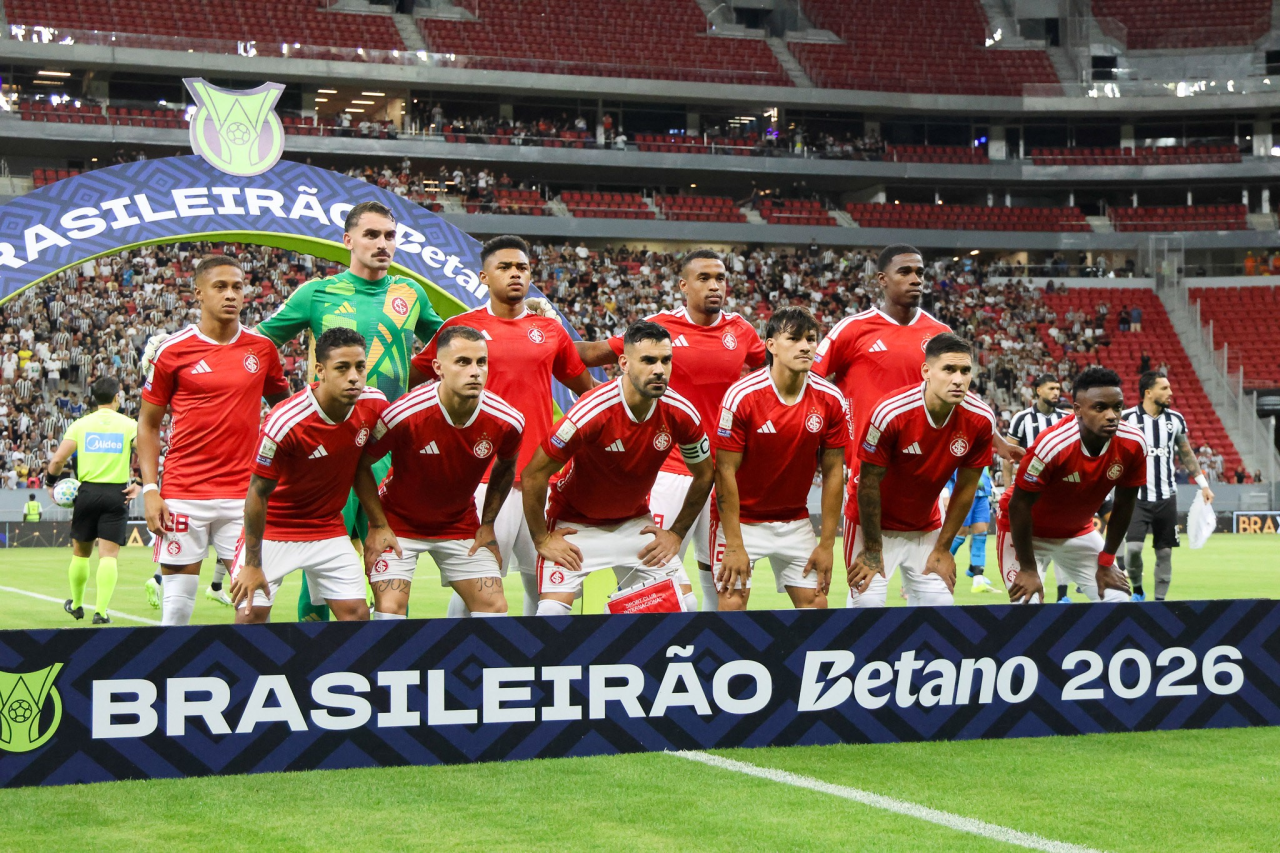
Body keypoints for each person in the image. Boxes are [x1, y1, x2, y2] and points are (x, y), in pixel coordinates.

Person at [255, 201, 443, 621]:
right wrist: (282, 401)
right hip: (330, 447)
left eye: (389, 236)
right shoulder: (317, 293)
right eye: (372, 235)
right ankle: (316, 661)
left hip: (390, 447)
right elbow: (258, 344)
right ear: (348, 241)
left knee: (391, 558)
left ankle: (384, 661)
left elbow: (457, 342)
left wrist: (524, 316)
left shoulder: (410, 294)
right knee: (320, 564)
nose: (382, 244)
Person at [817, 244, 1018, 607]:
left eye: (921, 273)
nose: (916, 280)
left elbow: (958, 392)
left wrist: (997, 437)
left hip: (925, 472)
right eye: (905, 272)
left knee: (935, 603)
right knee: (866, 602)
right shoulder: (853, 329)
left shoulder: (938, 333)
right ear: (882, 280)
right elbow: (813, 383)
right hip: (869, 469)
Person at [409, 235, 594, 618]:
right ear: (483, 276)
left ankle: (533, 667)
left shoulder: (551, 330)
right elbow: (414, 378)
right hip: (480, 481)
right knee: (476, 589)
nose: (515, 274)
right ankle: (457, 668)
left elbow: (587, 392)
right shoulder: (460, 329)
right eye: (505, 267)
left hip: (543, 478)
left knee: (547, 585)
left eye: (522, 268)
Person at [576, 250, 765, 612]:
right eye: (704, 278)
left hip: (724, 473)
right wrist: (544, 338)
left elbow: (771, 376)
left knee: (730, 590)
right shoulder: (660, 329)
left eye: (720, 278)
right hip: (670, 472)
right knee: (660, 590)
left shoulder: (741, 330)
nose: (714, 285)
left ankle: (715, 662)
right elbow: (596, 352)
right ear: (683, 285)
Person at [523, 320, 713, 616]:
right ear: (624, 362)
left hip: (633, 523)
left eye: (666, 360)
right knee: (550, 613)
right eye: (648, 360)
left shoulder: (682, 412)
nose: (659, 370)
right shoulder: (592, 411)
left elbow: (705, 473)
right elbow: (533, 474)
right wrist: (541, 539)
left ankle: (632, 650)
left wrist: (676, 533)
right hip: (575, 525)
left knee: (685, 603)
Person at [138, 256, 291, 625]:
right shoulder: (171, 351)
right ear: (198, 293)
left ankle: (244, 680)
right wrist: (149, 489)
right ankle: (169, 679)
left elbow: (287, 412)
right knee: (175, 611)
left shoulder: (262, 349)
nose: (231, 295)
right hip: (183, 493)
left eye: (237, 287)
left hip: (245, 495)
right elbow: (147, 424)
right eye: (220, 287)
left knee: (254, 607)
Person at [359, 326, 523, 619]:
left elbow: (507, 465)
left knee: (495, 608)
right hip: (398, 522)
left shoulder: (507, 420)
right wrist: (377, 524)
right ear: (438, 368)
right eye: (463, 362)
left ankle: (470, 665)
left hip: (458, 524)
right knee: (390, 611)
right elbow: (361, 464)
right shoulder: (403, 415)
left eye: (481, 362)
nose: (475, 371)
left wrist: (487, 524)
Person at [229, 328, 388, 623]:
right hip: (276, 530)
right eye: (342, 368)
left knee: (357, 615)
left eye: (360, 367)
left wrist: (379, 524)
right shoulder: (285, 421)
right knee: (251, 615)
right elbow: (257, 492)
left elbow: (362, 467)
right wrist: (253, 563)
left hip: (327, 529)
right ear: (320, 370)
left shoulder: (374, 405)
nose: (354, 376)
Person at [711, 307, 848, 610]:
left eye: (811, 339)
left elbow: (834, 473)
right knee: (732, 603)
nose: (805, 346)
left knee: (816, 606)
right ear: (771, 345)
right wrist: (734, 544)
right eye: (794, 339)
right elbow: (724, 473)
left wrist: (826, 544)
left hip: (794, 520)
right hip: (742, 520)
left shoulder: (830, 399)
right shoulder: (743, 396)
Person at [846, 333, 996, 607]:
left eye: (965, 371)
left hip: (925, 526)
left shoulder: (982, 418)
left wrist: (942, 547)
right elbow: (867, 484)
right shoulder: (890, 412)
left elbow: (966, 487)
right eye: (949, 369)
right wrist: (872, 549)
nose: (958, 379)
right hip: (871, 527)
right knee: (865, 608)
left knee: (939, 608)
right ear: (926, 371)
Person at [998, 367, 1148, 605]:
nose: (1111, 415)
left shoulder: (1134, 443)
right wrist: (1027, 568)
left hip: (1078, 531)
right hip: (1027, 533)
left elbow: (1125, 503)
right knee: (1026, 604)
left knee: (1118, 599)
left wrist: (1107, 561)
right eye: (1100, 408)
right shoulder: (1052, 445)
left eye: (1117, 407)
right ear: (1078, 410)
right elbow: (1019, 505)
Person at [46, 375, 141, 625]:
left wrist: (49, 483)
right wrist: (141, 483)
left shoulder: (80, 424)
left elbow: (57, 460)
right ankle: (101, 612)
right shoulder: (129, 424)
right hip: (116, 495)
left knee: (80, 554)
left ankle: (76, 605)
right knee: (108, 557)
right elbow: (147, 451)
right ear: (117, 397)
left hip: (86, 493)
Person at [1122, 371, 1214, 601]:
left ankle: (1160, 602)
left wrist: (1203, 484)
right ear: (1148, 392)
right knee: (1132, 551)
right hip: (1135, 498)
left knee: (1164, 552)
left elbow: (1186, 454)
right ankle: (1138, 590)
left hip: (1166, 497)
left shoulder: (1175, 420)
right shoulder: (1126, 419)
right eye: (1164, 388)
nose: (1170, 393)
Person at [1004, 373, 1072, 601]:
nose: (1056, 392)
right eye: (1051, 388)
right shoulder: (1021, 419)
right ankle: (1031, 598)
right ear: (1038, 391)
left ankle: (1063, 596)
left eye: (1058, 388)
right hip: (1029, 497)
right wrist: (1007, 490)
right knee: (1031, 551)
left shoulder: (1067, 418)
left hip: (1061, 497)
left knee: (1062, 547)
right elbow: (1008, 457)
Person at [942, 466, 998, 594]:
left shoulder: (983, 447)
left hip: (982, 493)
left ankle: (978, 579)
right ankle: (938, 565)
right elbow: (945, 469)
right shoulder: (959, 446)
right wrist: (945, 495)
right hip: (961, 492)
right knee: (960, 533)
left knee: (981, 533)